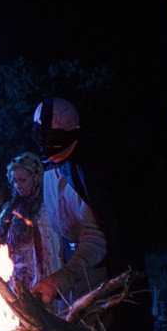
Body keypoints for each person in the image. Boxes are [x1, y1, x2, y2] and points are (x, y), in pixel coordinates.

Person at [28, 97, 116, 307]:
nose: (49, 151)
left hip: (97, 269)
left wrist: (64, 276)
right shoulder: (50, 166)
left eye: (54, 141)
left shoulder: (90, 173)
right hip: (67, 264)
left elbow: (96, 236)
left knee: (91, 321)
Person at [0, 152, 62, 289]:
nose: (18, 185)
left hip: (40, 272)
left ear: (35, 179)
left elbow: (50, 245)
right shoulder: (10, 209)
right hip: (17, 271)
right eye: (15, 181)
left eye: (23, 180)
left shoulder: (46, 208)